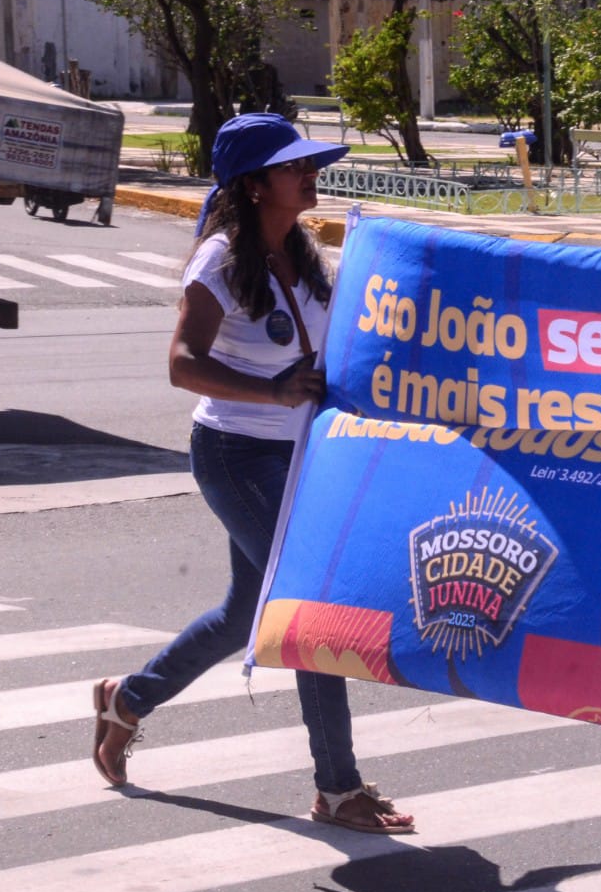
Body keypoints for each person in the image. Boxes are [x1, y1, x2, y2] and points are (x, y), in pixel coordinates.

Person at [92, 113, 414, 835]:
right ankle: (338, 788)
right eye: (294, 166)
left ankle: (127, 700)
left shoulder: (303, 255)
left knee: (247, 614)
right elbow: (181, 364)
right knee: (308, 603)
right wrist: (271, 391)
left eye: (310, 164)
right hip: (235, 455)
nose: (310, 175)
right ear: (253, 182)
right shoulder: (217, 262)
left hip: (302, 455)